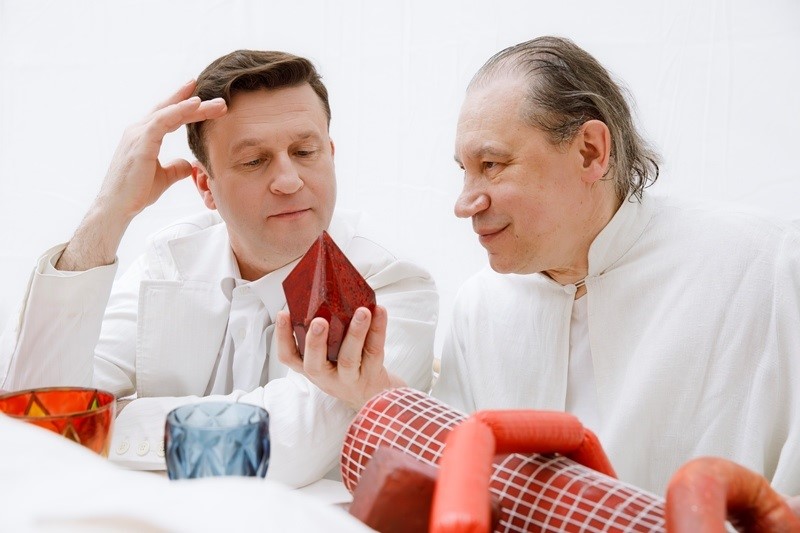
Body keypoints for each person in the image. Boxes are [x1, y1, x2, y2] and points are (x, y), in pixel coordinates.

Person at [281, 36, 800, 498]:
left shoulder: (766, 267)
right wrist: (369, 386)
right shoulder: (482, 304)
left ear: (590, 152)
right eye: (464, 171)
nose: (464, 203)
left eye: (492, 165)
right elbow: (465, 476)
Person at [0, 50, 437, 487]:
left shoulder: (392, 283)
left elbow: (284, 451)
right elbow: (34, 410)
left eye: (305, 151)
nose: (289, 180)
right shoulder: (169, 260)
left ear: (331, 154)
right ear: (205, 186)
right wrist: (110, 211)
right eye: (254, 161)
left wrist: (106, 423)